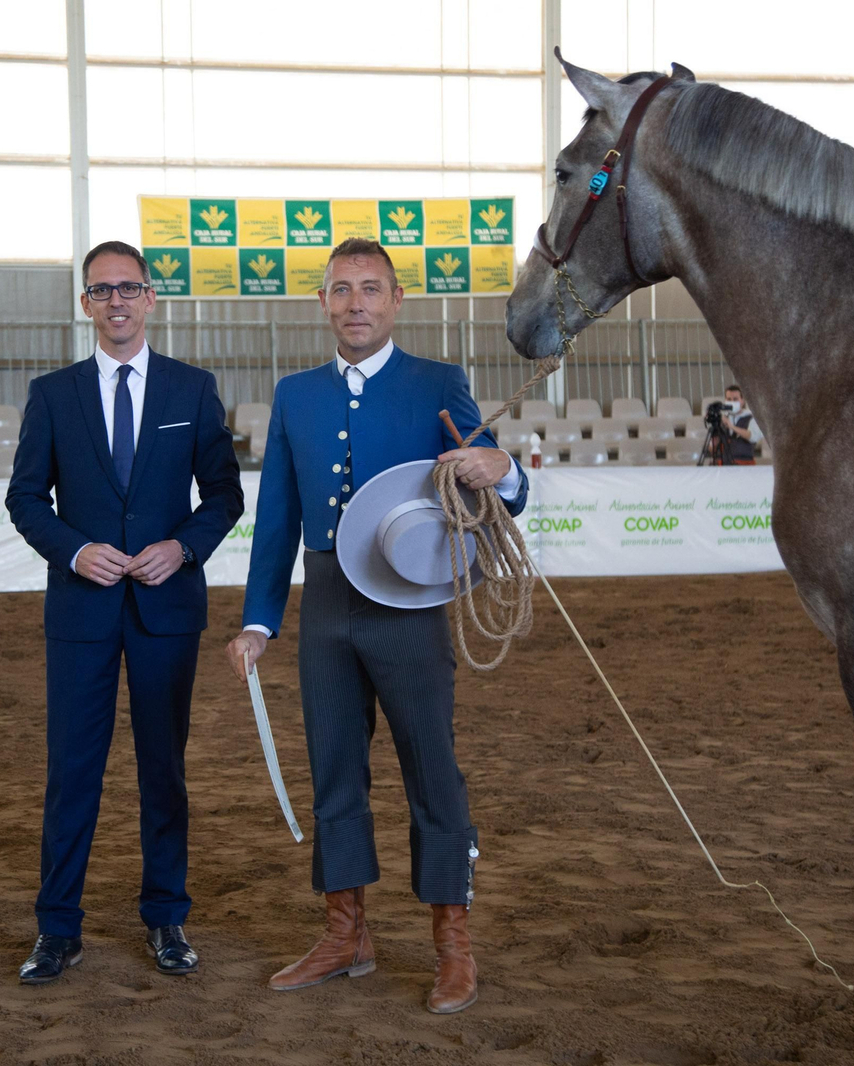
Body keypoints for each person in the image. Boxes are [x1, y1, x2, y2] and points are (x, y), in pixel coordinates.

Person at [224, 238, 528, 1015]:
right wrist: (261, 620)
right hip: (326, 606)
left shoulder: (439, 383)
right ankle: (345, 933)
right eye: (341, 290)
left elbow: (493, 478)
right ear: (323, 304)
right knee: (333, 767)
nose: (355, 303)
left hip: (409, 603)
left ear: (396, 301)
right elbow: (277, 521)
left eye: (370, 289)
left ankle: (451, 943)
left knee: (432, 767)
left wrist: (508, 470)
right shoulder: (294, 395)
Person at [5, 240, 244, 985]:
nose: (116, 301)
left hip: (165, 610)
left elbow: (226, 495)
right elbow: (24, 499)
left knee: (163, 771)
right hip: (81, 611)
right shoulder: (53, 394)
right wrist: (74, 551)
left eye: (129, 288)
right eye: (102, 290)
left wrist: (185, 546)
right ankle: (57, 928)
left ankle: (166, 916)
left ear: (150, 299)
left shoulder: (192, 389)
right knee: (72, 771)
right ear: (85, 305)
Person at [713, 384, 763, 465]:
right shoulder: (722, 418)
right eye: (729, 399)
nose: (732, 402)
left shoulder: (751, 417)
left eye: (735, 399)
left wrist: (732, 427)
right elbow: (713, 449)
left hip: (743, 463)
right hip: (722, 464)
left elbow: (753, 437)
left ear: (742, 401)